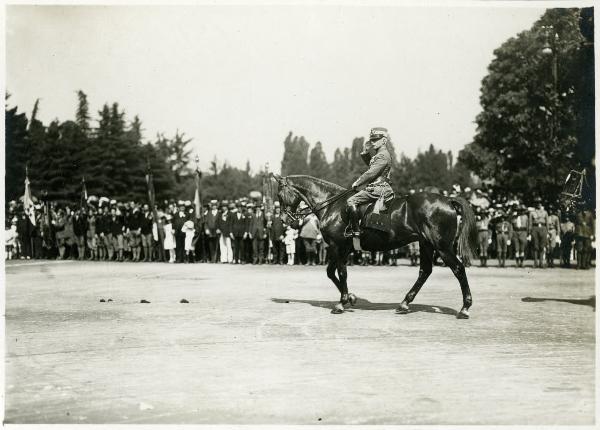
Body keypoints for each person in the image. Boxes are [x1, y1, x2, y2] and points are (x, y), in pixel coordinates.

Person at [345, 127, 394, 237]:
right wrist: (366, 153)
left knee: (351, 201)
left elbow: (371, 172)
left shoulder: (383, 155)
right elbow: (373, 166)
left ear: (384, 140)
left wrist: (358, 182)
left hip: (378, 188)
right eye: (372, 140)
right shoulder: (380, 154)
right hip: (377, 187)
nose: (373, 142)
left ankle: (356, 230)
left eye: (376, 140)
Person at [528, 197, 549, 268]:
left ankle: (541, 263)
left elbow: (547, 223)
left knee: (542, 246)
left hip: (543, 229)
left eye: (540, 203)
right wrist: (529, 233)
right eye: (537, 203)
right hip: (535, 228)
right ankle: (535, 263)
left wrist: (548, 232)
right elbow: (530, 223)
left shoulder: (545, 212)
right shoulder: (532, 213)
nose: (539, 204)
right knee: (535, 246)